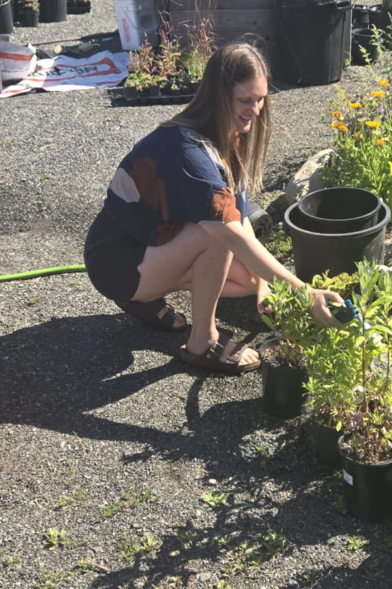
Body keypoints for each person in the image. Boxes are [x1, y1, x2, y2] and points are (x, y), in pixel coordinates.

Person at [84, 41, 343, 373]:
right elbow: (232, 234)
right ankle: (202, 343)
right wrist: (306, 294)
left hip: (152, 248)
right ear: (218, 98)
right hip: (115, 263)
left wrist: (266, 283)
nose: (256, 109)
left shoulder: (225, 134)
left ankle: (144, 299)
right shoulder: (188, 152)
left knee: (249, 280)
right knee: (217, 236)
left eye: (261, 98)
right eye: (245, 100)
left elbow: (238, 211)